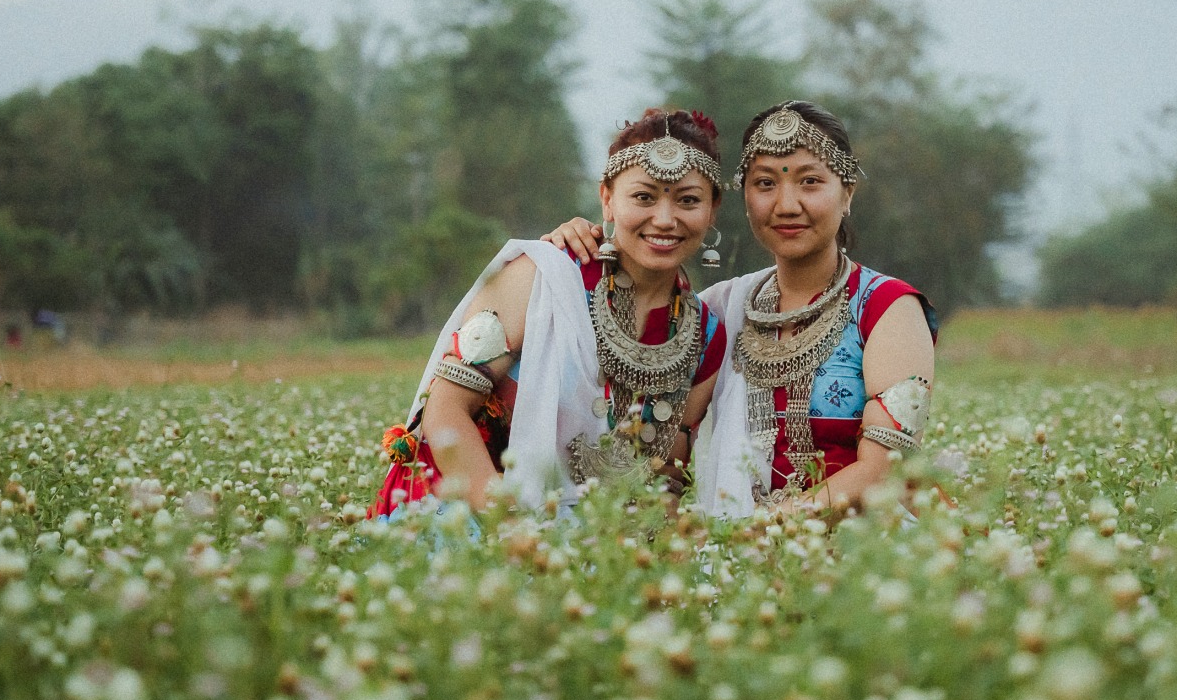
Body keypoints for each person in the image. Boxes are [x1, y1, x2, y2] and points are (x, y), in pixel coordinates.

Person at [548, 100, 937, 519]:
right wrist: (568, 252)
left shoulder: (887, 308)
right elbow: (660, 456)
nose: (786, 205)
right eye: (765, 183)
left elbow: (884, 470)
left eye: (809, 182)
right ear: (745, 196)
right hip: (735, 550)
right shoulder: (719, 311)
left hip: (865, 545)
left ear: (848, 193)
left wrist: (760, 530)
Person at [370, 108, 729, 520]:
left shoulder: (704, 335)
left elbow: (664, 478)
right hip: (464, 509)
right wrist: (514, 531)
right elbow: (446, 410)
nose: (665, 220)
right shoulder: (543, 275)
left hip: (589, 535)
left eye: (688, 200)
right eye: (644, 197)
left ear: (712, 210)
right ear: (607, 200)